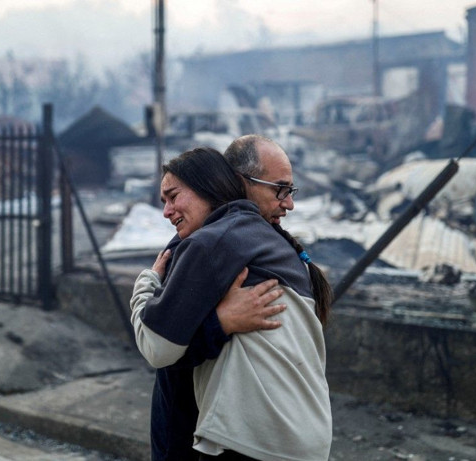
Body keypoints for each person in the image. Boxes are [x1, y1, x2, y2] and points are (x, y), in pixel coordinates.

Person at [130, 146, 333, 460]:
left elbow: (160, 350)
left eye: (173, 197)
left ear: (209, 185)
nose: (289, 202)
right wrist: (220, 323)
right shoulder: (278, 251)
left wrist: (146, 283)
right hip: (308, 438)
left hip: (252, 441)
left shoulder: (209, 243)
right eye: (281, 190)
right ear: (241, 182)